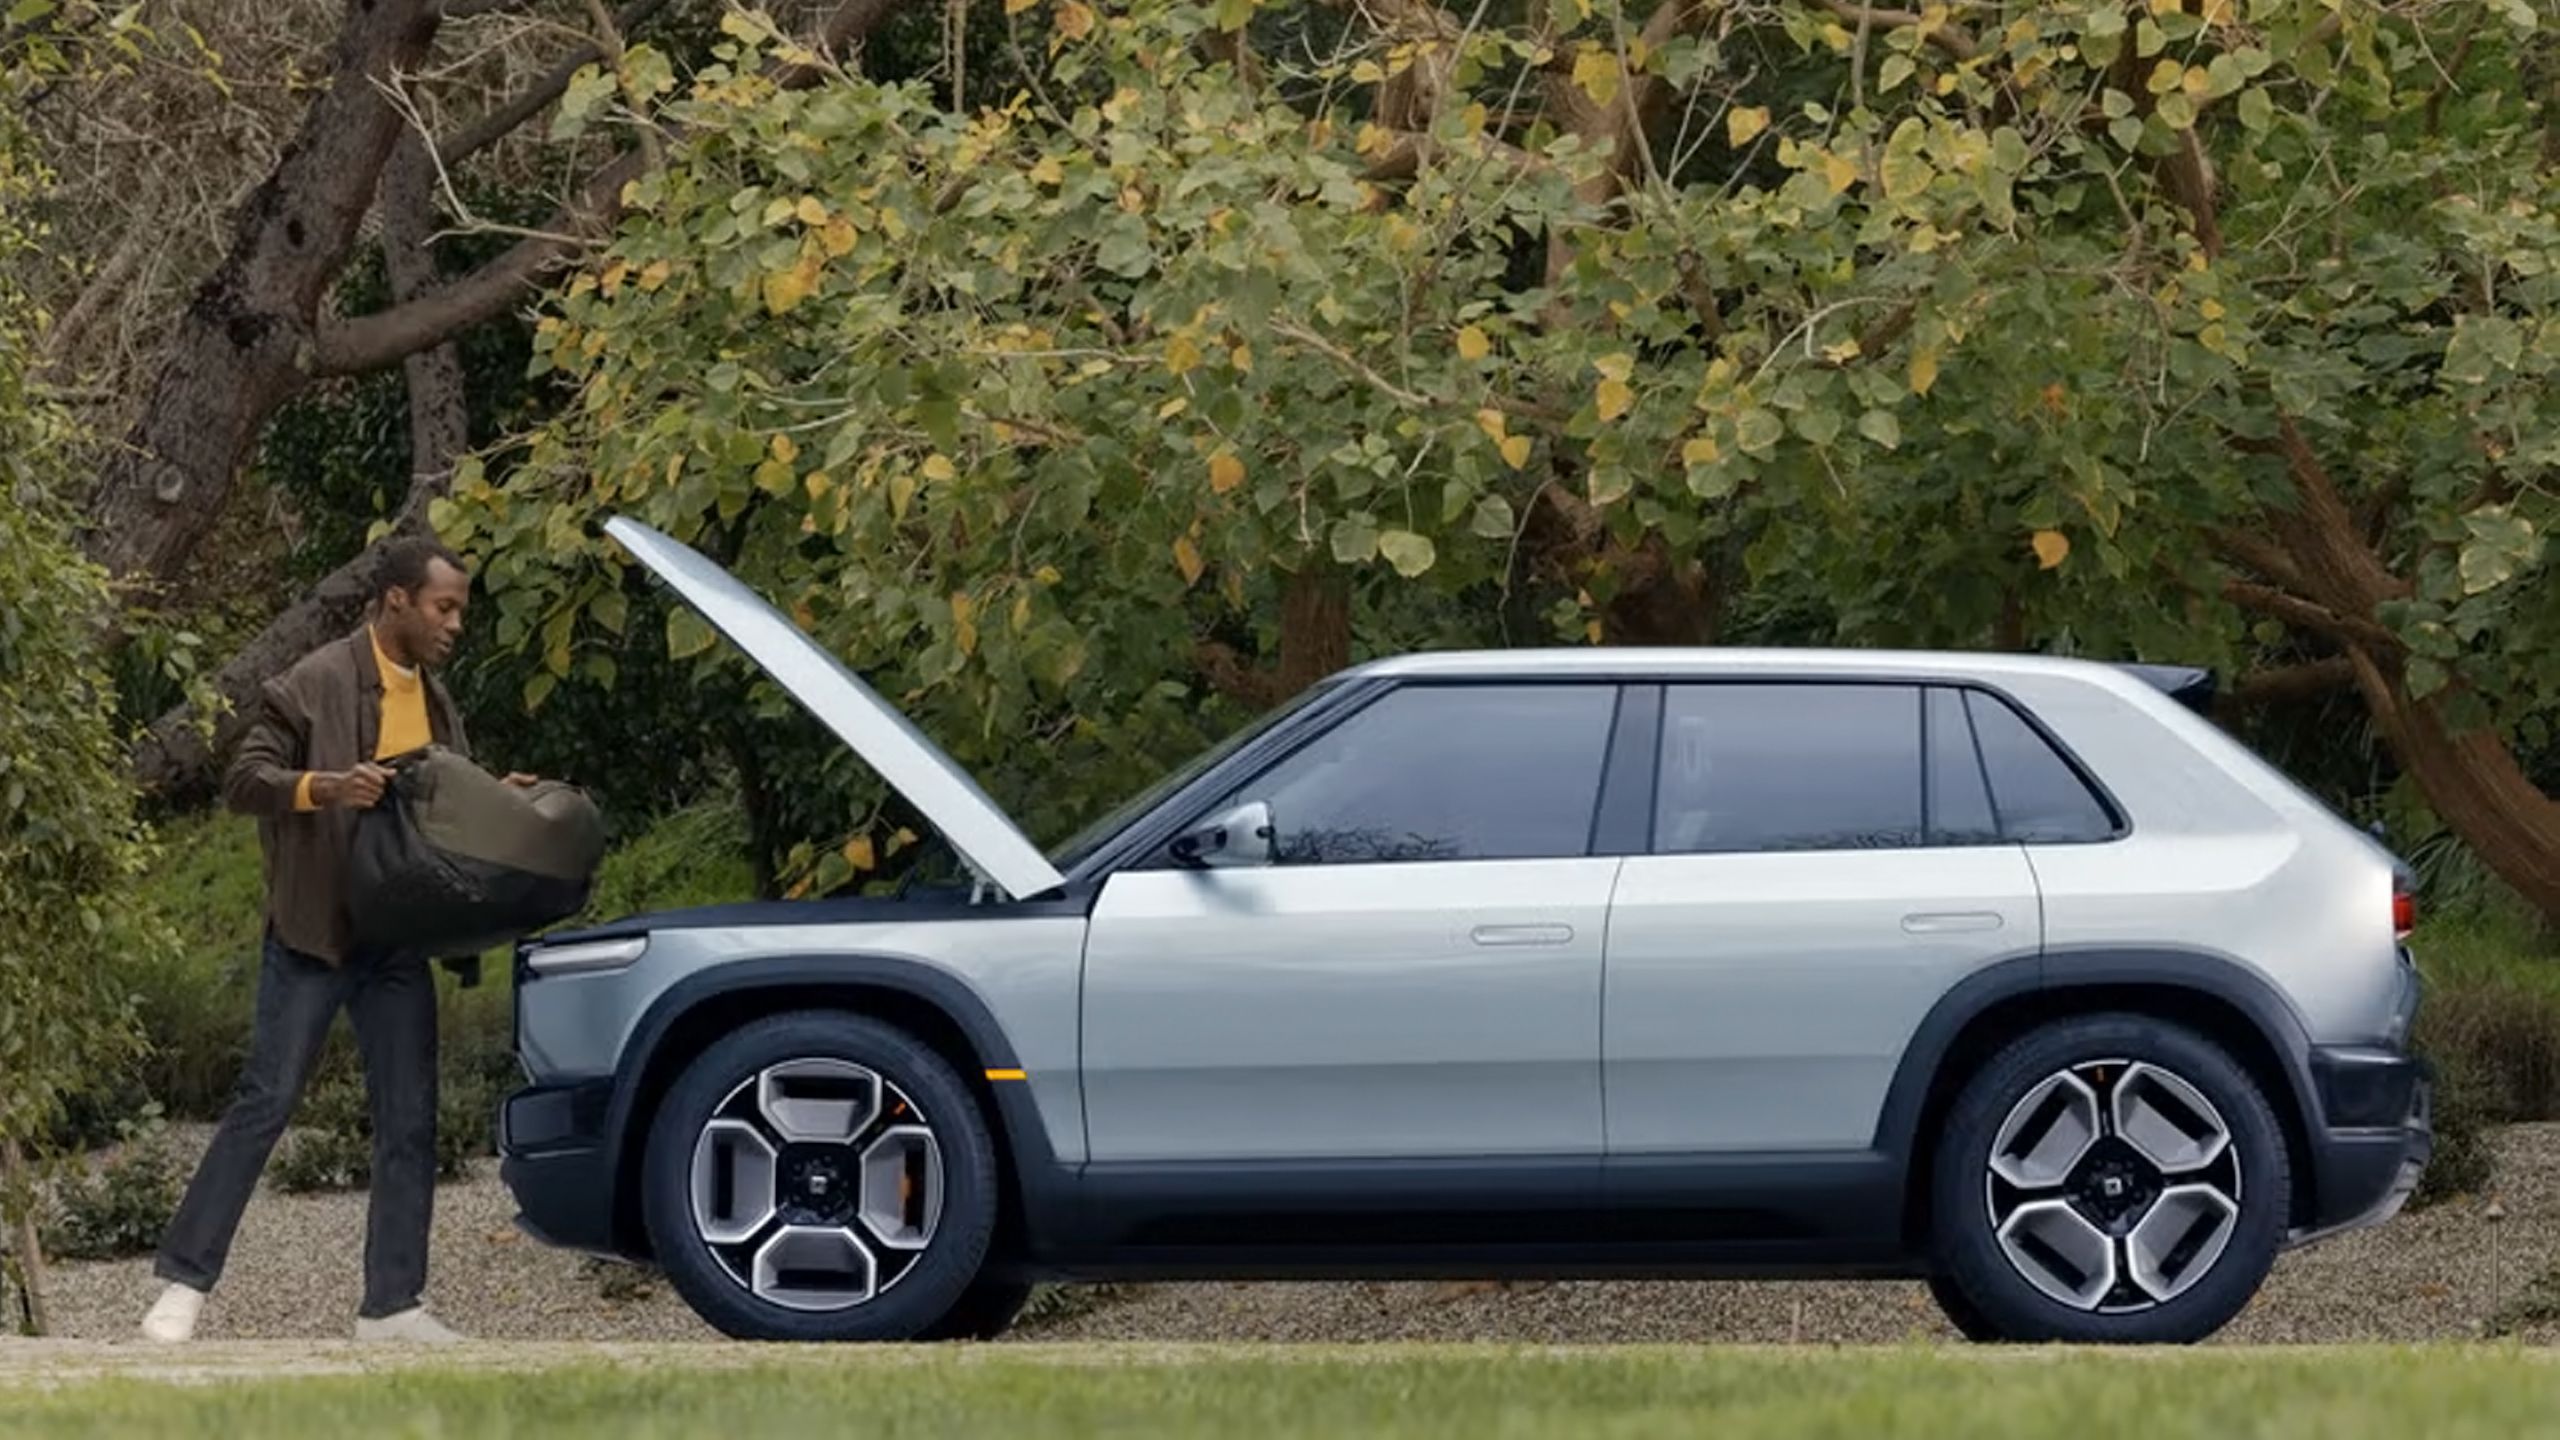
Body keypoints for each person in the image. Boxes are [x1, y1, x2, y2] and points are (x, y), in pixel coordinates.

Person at [139, 537, 533, 1344]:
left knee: (410, 1119)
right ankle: (182, 1286)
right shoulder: (311, 683)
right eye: (443, 607)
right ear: (395, 600)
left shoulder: (434, 698)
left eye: (459, 609)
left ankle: (392, 1308)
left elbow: (437, 795)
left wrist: (497, 795)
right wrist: (327, 786)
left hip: (395, 939)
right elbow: (243, 781)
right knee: (266, 1101)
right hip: (315, 935)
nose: (455, 623)